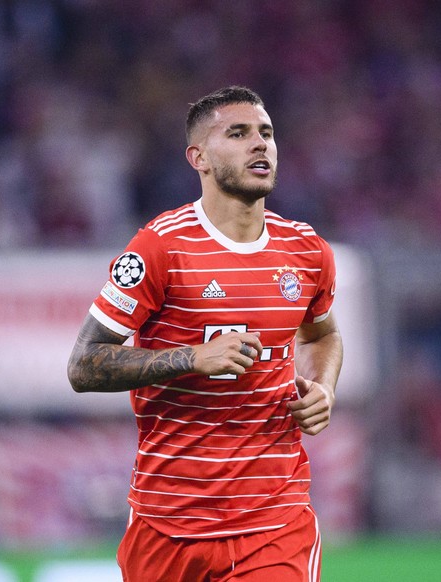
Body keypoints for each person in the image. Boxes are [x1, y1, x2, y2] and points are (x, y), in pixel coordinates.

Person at [67, 85, 343, 581]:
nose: (259, 144)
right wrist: (191, 358)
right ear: (198, 158)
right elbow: (84, 364)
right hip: (167, 522)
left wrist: (322, 386)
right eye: (237, 134)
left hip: (274, 523)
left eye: (266, 133)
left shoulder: (307, 251)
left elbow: (322, 336)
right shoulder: (159, 248)